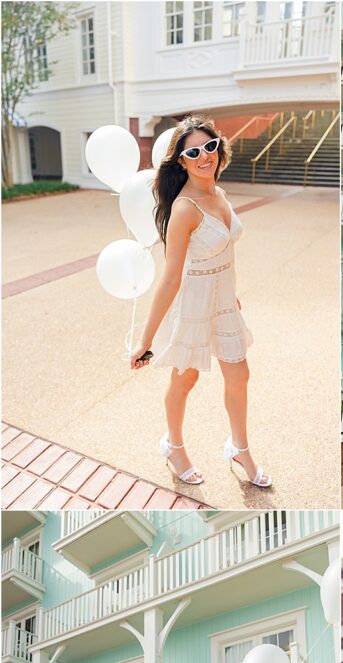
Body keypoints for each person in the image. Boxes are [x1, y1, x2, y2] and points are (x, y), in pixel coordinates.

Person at [129, 114, 271, 489]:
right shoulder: (185, 209)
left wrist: (231, 293)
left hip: (222, 299)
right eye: (194, 151)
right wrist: (145, 340)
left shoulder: (219, 194)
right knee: (186, 378)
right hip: (192, 301)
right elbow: (171, 276)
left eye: (210, 146)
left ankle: (239, 448)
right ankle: (173, 445)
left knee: (239, 375)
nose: (205, 155)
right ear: (182, 160)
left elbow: (222, 253)